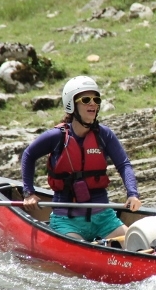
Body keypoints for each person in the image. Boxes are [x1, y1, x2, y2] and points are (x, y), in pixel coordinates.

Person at [20, 76, 141, 241]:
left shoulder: (105, 135)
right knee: (79, 246)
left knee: (136, 243)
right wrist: (28, 193)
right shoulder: (56, 136)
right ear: (71, 104)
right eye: (85, 99)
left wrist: (132, 194)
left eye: (96, 99)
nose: (92, 103)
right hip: (67, 220)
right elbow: (29, 155)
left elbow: (124, 164)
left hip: (103, 218)